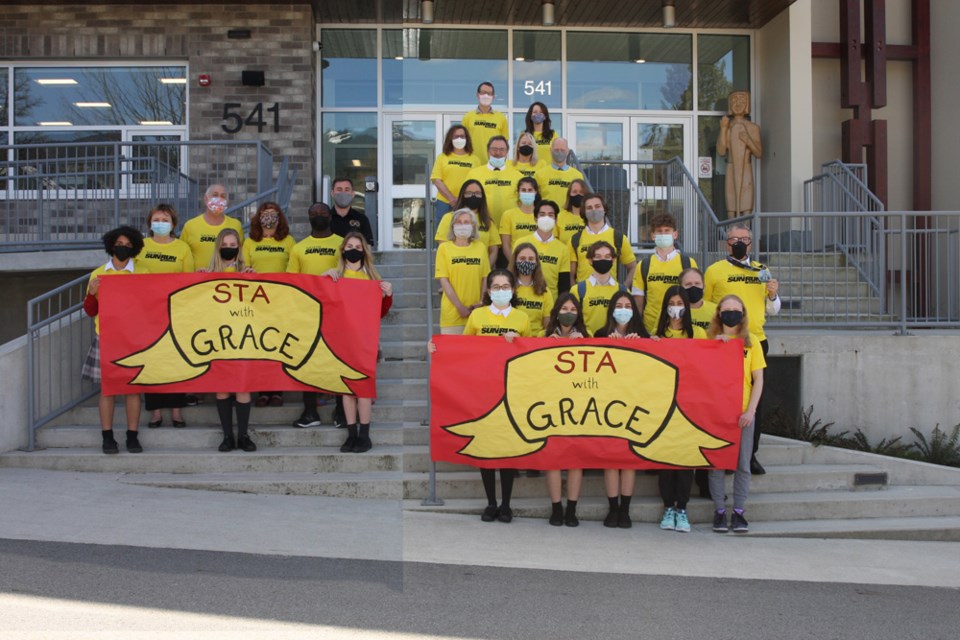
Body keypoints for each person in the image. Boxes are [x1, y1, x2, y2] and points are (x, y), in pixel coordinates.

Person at [704, 223, 779, 474]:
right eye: (733, 238)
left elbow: (773, 309)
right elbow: (705, 305)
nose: (738, 242)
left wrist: (773, 295)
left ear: (751, 242)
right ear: (727, 243)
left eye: (743, 238)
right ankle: (725, 453)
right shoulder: (714, 271)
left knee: (754, 402)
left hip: (754, 341)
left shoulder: (762, 270)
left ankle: (750, 454)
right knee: (724, 399)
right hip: (724, 343)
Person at [82, 225, 149, 454]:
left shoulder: (144, 273)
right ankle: (107, 437)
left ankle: (132, 436)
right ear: (111, 245)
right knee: (108, 391)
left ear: (135, 248)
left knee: (132, 390)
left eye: (128, 245)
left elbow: (151, 306)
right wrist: (91, 293)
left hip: (133, 339)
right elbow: (90, 310)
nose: (123, 248)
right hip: (107, 338)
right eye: (119, 244)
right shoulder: (99, 274)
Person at [324, 232, 393, 453]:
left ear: (364, 251)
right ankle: (351, 434)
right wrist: (324, 278)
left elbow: (380, 313)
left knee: (363, 389)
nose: (353, 249)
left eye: (358, 246)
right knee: (346, 389)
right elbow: (323, 305)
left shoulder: (372, 279)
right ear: (343, 249)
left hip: (365, 341)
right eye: (349, 245)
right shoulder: (336, 276)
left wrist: (388, 295)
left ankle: (365, 435)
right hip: (342, 341)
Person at [707, 294, 765, 533]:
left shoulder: (752, 343)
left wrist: (751, 410)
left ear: (743, 313)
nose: (731, 313)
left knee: (742, 463)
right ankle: (720, 510)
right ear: (719, 313)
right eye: (727, 309)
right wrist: (715, 347)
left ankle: (739, 511)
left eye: (736, 309)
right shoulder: (709, 340)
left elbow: (759, 379)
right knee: (716, 464)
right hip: (716, 412)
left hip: (742, 413)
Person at [650, 286, 705, 534]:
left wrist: (723, 344)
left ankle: (681, 508)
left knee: (685, 461)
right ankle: (668, 508)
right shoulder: (657, 334)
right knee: (666, 459)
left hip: (691, 405)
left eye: (679, 302)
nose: (675, 307)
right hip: (664, 405)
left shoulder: (698, 333)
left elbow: (709, 364)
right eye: (671, 302)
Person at [592, 291, 647, 528]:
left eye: (628, 305)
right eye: (619, 305)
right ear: (612, 309)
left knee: (628, 459)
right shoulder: (600, 334)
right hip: (606, 405)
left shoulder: (642, 334)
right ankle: (612, 508)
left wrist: (643, 344)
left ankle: (625, 510)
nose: (623, 309)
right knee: (610, 458)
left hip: (634, 405)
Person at [199, 229, 257, 453]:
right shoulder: (209, 273)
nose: (229, 247)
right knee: (222, 388)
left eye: (233, 243)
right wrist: (199, 279)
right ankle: (227, 437)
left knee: (243, 386)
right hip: (216, 337)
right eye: (225, 243)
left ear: (239, 247)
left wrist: (253, 277)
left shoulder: (246, 271)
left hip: (243, 336)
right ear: (218, 246)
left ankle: (243, 435)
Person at [287, 203, 343, 429]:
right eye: (313, 214)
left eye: (322, 213)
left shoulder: (341, 243)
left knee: (338, 362)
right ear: (308, 218)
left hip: (337, 311)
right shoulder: (299, 248)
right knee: (305, 362)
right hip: (307, 312)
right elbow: (292, 282)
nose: (318, 216)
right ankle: (310, 411)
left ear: (330, 216)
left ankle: (340, 411)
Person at [138, 204, 192, 429]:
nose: (161, 222)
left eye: (165, 218)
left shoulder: (182, 248)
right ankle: (156, 412)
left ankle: (177, 411)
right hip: (148, 312)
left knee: (176, 360)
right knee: (152, 361)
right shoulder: (140, 246)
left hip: (175, 311)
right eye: (157, 218)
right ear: (150, 223)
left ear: (173, 224)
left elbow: (189, 280)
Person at [243, 202, 296, 408]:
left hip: (280, 299)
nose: (269, 217)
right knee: (259, 345)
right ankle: (263, 391)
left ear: (280, 217)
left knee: (278, 345)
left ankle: (277, 390)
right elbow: (245, 267)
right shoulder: (250, 242)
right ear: (258, 217)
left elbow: (293, 268)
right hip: (256, 300)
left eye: (273, 214)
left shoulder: (288, 241)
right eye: (265, 214)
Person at [543, 293, 586, 526]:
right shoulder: (544, 337)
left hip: (580, 406)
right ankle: (556, 508)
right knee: (553, 459)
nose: (568, 312)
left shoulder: (586, 338)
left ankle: (572, 509)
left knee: (575, 459)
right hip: (552, 404)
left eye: (573, 308)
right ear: (557, 311)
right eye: (564, 308)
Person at [632, 213, 698, 335]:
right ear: (652, 236)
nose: (663, 234)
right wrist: (638, 329)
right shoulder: (643, 265)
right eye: (659, 231)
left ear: (675, 234)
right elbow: (638, 302)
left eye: (667, 231)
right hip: (650, 330)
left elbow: (694, 299)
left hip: (680, 329)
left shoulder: (688, 263)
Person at [435, 208, 491, 334]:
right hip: (452, 315)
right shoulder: (444, 249)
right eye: (459, 222)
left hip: (476, 313)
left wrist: (482, 303)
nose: (462, 225)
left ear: (473, 226)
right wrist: (459, 307)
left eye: (466, 222)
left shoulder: (480, 247)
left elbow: (485, 278)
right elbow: (444, 281)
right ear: (452, 226)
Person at [568, 193, 637, 285]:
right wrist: (575, 294)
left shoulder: (618, 238)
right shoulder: (575, 240)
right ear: (584, 212)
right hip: (583, 296)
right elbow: (570, 274)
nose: (594, 210)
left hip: (612, 296)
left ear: (604, 209)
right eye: (589, 208)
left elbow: (633, 267)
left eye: (597, 206)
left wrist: (624, 288)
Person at [717, 90, 762, 217]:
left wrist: (748, 140)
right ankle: (732, 231)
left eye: (741, 100)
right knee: (731, 204)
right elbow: (721, 151)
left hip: (746, 166)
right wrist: (723, 129)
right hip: (731, 167)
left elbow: (758, 153)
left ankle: (746, 231)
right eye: (734, 100)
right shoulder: (727, 126)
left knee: (746, 201)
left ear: (747, 104)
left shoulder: (753, 128)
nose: (737, 103)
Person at [570, 241, 629, 337]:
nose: (603, 260)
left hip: (615, 346)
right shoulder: (577, 290)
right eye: (598, 257)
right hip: (585, 345)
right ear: (590, 260)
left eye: (607, 257)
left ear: (613, 260)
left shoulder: (623, 291)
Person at [435, 180, 500, 268]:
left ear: (483, 197)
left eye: (477, 193)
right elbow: (442, 247)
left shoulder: (488, 221)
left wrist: (483, 269)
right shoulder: (449, 218)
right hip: (454, 270)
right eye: (469, 193)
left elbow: (493, 250)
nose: (473, 196)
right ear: (463, 195)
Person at [514, 199, 570, 300]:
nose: (546, 218)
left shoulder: (563, 249)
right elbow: (512, 273)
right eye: (542, 214)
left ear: (556, 219)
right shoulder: (521, 242)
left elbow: (564, 284)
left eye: (550, 215)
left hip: (551, 303)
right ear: (535, 218)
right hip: (521, 300)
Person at [465, 136, 522, 230]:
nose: (498, 153)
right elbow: (465, 200)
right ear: (488, 152)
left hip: (510, 228)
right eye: (494, 149)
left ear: (507, 153)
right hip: (482, 227)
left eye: (502, 149)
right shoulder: (474, 174)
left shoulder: (518, 176)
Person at [180, 184, 244, 268]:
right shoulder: (190, 225)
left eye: (223, 196)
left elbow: (241, 254)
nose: (219, 199)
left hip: (227, 278)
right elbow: (181, 254)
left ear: (227, 201)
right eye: (215, 195)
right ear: (206, 199)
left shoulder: (236, 225)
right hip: (200, 280)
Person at [430, 125, 481, 222]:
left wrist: (463, 199)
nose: (459, 139)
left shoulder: (475, 159)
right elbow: (436, 180)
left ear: (467, 139)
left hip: (468, 202)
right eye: (456, 136)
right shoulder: (442, 157)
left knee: (466, 233)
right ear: (450, 139)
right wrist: (452, 199)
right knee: (443, 234)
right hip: (444, 203)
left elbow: (477, 183)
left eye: (462, 136)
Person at [508, 242, 553, 337]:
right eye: (522, 258)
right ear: (515, 261)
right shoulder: (506, 288)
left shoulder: (545, 291)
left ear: (536, 262)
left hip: (536, 343)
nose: (527, 262)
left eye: (531, 259)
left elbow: (548, 326)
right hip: (512, 339)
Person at [461, 81, 508, 165]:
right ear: (477, 95)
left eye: (489, 93)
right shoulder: (468, 117)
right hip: (473, 165)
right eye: (483, 92)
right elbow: (462, 143)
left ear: (493, 97)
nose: (486, 96)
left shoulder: (501, 118)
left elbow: (505, 144)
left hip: (493, 165)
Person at [534, 137, 584, 206]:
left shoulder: (577, 176)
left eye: (562, 150)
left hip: (568, 216)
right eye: (556, 150)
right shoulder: (539, 174)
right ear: (551, 150)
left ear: (568, 151)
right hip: (548, 215)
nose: (559, 152)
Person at [499, 176, 540, 258]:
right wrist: (514, 264)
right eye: (523, 190)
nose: (527, 193)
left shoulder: (542, 215)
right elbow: (506, 246)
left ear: (536, 192)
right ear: (518, 192)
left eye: (530, 190)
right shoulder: (508, 215)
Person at [330, 177, 374, 245]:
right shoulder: (325, 219)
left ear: (353, 194)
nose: (343, 193)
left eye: (347, 190)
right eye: (339, 189)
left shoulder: (362, 219)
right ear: (332, 193)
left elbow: (367, 248)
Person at [680, 267, 717, 334]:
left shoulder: (716, 311)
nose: (693, 287)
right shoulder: (672, 311)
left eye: (697, 283)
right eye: (688, 284)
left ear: (704, 287)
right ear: (680, 288)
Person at [557, 178, 588, 243]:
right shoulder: (560, 217)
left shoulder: (590, 216)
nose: (578, 195)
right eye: (574, 192)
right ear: (569, 195)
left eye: (581, 192)